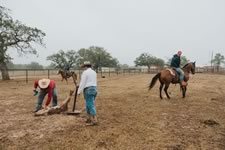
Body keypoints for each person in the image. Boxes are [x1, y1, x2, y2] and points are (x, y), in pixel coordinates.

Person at [77, 61, 98, 126]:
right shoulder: (94, 72)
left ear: (85, 66)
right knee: (88, 104)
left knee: (90, 104)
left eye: (84, 67)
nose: (83, 68)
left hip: (88, 90)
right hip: (94, 89)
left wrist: (79, 91)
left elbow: (82, 83)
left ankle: (94, 120)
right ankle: (88, 118)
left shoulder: (85, 73)